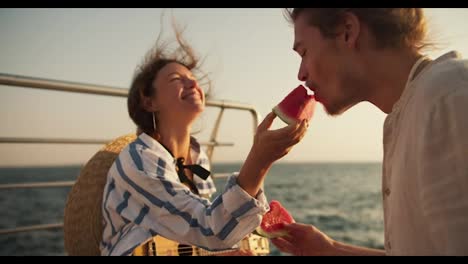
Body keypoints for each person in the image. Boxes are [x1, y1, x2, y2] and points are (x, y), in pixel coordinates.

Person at [271, 8, 468, 256]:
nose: (301, 74)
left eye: (304, 52)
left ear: (347, 31)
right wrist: (331, 250)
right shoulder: (413, 108)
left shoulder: (448, 95)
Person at [99, 24, 308, 256]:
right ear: (149, 102)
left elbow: (191, 240)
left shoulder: (196, 157)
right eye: (176, 79)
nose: (193, 84)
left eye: (193, 78)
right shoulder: (139, 160)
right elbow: (209, 229)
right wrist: (259, 160)